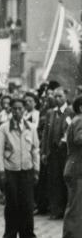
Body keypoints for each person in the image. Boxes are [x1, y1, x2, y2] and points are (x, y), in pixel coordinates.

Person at [0, 98, 40, 238]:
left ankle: (28, 234)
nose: (18, 111)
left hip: (26, 169)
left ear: (24, 110)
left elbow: (35, 150)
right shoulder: (4, 128)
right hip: (10, 169)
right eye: (14, 109)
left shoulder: (31, 127)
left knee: (27, 202)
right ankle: (10, 234)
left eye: (20, 108)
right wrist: (0, 170)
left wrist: (36, 169)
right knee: (12, 202)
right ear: (11, 111)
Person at [42, 87, 73, 219]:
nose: (57, 99)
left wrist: (64, 140)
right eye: (55, 96)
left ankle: (67, 210)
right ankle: (56, 209)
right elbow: (45, 133)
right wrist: (44, 151)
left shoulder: (70, 112)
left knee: (65, 180)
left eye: (60, 96)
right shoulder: (51, 113)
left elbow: (71, 129)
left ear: (65, 96)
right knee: (54, 180)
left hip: (65, 152)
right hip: (53, 152)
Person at [61, 95, 82, 238]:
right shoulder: (80, 120)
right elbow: (79, 139)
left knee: (73, 206)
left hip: (74, 167)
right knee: (76, 207)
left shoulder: (76, 120)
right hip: (77, 169)